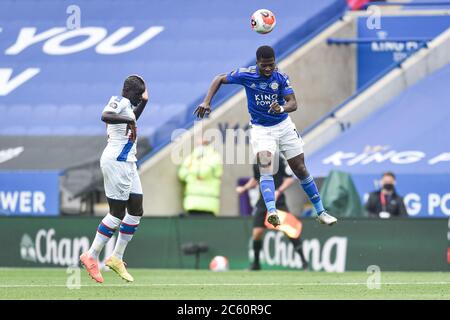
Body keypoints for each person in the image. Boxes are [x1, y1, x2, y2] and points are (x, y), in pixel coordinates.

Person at [194, 45, 337, 227]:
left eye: (271, 64)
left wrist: (281, 108)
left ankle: (321, 212)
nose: (268, 69)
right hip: (261, 129)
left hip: (284, 126)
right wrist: (206, 101)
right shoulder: (246, 74)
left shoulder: (281, 77)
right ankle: (272, 211)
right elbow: (219, 78)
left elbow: (293, 103)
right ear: (257, 63)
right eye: (264, 65)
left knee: (300, 168)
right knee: (266, 167)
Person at [80, 75, 148, 283]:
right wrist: (129, 119)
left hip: (128, 162)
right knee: (117, 213)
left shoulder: (129, 106)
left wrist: (144, 103)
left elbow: (132, 119)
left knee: (136, 210)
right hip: (116, 161)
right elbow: (106, 115)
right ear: (128, 91)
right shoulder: (118, 101)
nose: (138, 97)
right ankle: (91, 255)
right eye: (138, 94)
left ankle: (116, 257)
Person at [236, 155, 308, 270]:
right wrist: (244, 188)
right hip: (263, 201)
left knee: (289, 231)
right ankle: (256, 264)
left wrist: (278, 191)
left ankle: (304, 262)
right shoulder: (257, 161)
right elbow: (255, 179)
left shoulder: (278, 160)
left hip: (278, 201)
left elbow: (289, 179)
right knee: (257, 232)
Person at [178, 139, 223, 216]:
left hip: (209, 204)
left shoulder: (215, 157)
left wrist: (191, 173)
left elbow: (204, 172)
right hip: (192, 203)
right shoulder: (192, 156)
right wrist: (191, 177)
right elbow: (181, 173)